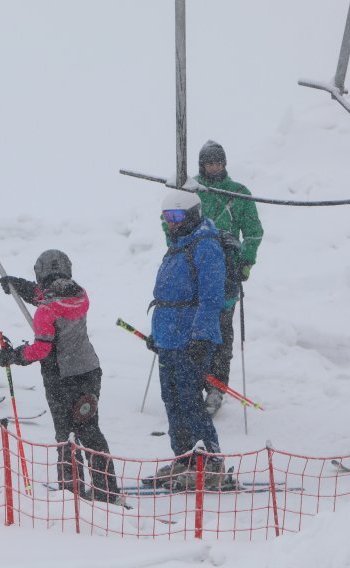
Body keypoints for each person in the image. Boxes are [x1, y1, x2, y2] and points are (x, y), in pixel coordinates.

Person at [0, 250, 123, 505]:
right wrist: (19, 286)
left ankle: (70, 491)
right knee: (89, 429)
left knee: (66, 435)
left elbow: (41, 349)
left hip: (61, 378)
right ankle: (106, 490)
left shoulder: (46, 311)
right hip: (89, 372)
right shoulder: (80, 295)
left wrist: (14, 355)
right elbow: (47, 294)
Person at [146, 190, 227, 489]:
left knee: (190, 401)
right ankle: (184, 457)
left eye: (177, 216)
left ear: (191, 214)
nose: (171, 223)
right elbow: (166, 295)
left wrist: (202, 337)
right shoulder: (179, 245)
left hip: (190, 338)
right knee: (172, 400)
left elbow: (211, 297)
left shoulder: (205, 246)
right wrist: (157, 334)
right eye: (167, 217)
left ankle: (211, 461)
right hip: (169, 338)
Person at [194, 140, 264, 415]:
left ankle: (216, 388)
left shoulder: (239, 193)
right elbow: (170, 220)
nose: (214, 167)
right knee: (194, 328)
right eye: (209, 162)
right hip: (195, 272)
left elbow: (254, 232)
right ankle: (195, 381)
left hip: (227, 273)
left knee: (222, 330)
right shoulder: (191, 190)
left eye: (218, 162)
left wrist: (245, 262)